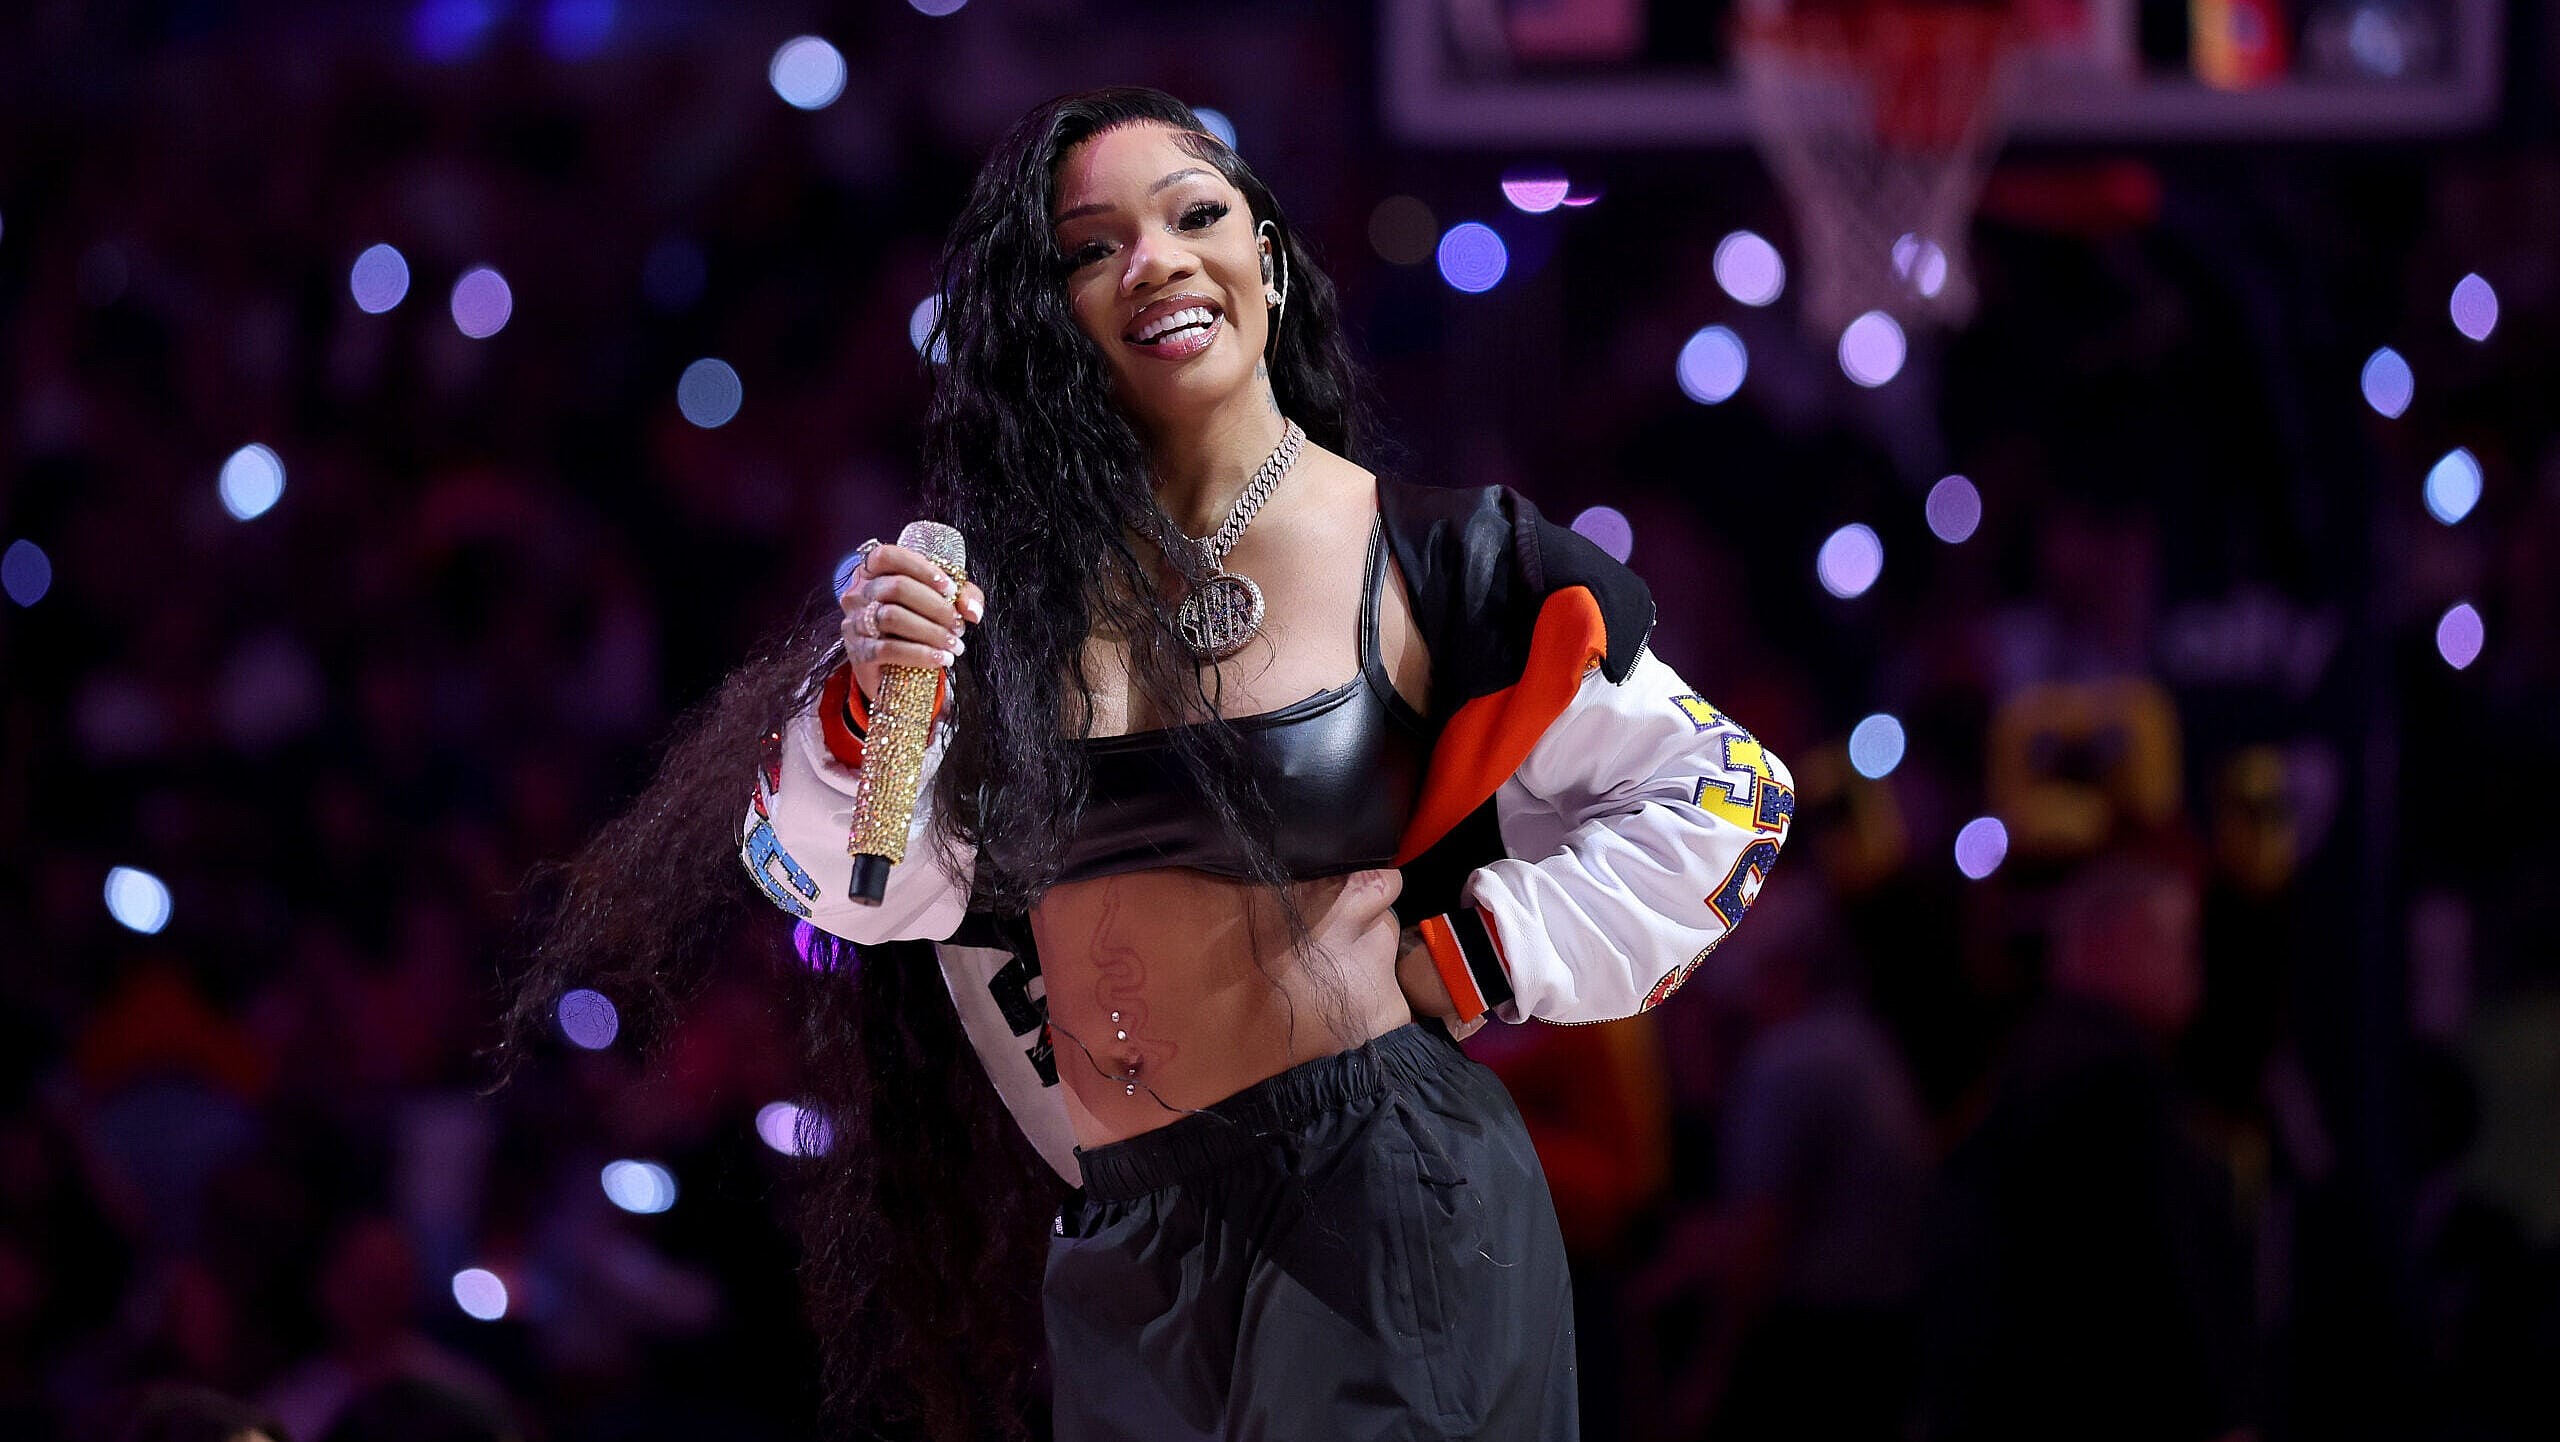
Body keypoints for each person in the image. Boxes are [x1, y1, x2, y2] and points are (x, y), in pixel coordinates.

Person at [505, 87, 1793, 1442]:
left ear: (1268, 262)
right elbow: (854, 891)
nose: (1155, 261)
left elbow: (1723, 793)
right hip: (1126, 1239)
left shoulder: (1433, 554)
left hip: (1379, 1195)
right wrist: (871, 704)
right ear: (1048, 314)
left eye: (1194, 215)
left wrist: (1471, 955)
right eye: (1092, 246)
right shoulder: (1001, 605)